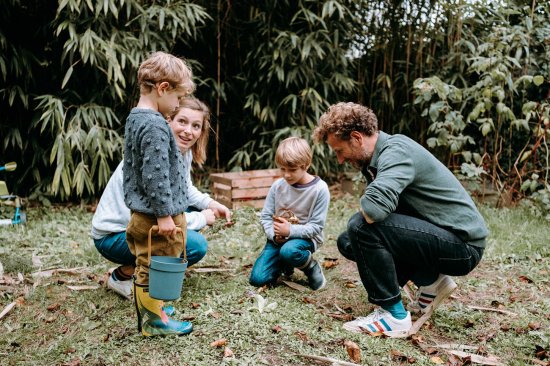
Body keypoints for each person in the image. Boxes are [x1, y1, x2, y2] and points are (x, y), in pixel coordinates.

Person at [312, 102, 488, 338]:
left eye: (339, 151)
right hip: (441, 236)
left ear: (356, 138)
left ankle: (393, 315)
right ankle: (431, 282)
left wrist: (369, 211)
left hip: (463, 246)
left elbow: (374, 210)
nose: (340, 160)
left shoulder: (396, 152)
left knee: (361, 227)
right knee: (348, 241)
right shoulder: (377, 158)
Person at [92, 96, 231, 302]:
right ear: (168, 120)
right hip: (114, 235)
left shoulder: (181, 152)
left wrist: (209, 203)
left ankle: (148, 270)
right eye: (181, 121)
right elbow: (155, 209)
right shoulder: (155, 154)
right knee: (195, 245)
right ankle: (125, 276)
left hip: (141, 224)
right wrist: (202, 218)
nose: (188, 131)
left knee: (189, 224)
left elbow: (184, 189)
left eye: (196, 126)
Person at [122, 51, 198, 337]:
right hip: (156, 217)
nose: (177, 105)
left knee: (150, 262)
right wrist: (165, 216)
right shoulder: (154, 124)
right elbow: (154, 177)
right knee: (152, 265)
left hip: (144, 213)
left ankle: (155, 308)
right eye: (177, 98)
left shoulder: (136, 117)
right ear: (162, 88)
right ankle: (153, 322)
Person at [249, 137, 330, 291]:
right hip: (278, 239)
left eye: (292, 170)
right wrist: (274, 235)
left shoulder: (320, 189)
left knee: (289, 251)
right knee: (258, 279)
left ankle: (311, 266)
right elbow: (266, 216)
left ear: (306, 166)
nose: (286, 175)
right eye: (282, 169)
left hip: (305, 238)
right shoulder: (277, 186)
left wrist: (290, 231)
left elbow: (316, 226)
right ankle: (285, 262)